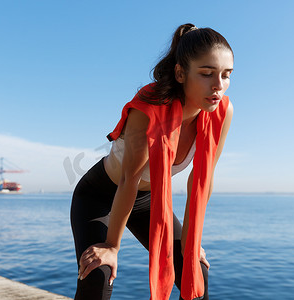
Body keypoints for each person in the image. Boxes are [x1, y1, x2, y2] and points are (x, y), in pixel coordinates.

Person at [70, 23, 234, 300]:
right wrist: (111, 246)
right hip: (101, 195)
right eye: (207, 74)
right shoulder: (148, 109)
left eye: (226, 75)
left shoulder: (221, 113)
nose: (218, 85)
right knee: (98, 273)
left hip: (147, 200)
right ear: (181, 73)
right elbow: (128, 180)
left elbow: (201, 180)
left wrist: (191, 242)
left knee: (195, 271)